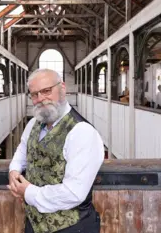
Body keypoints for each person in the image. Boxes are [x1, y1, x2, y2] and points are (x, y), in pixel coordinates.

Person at [7, 68, 104, 233]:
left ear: (63, 88)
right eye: (34, 94)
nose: (41, 99)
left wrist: (28, 192)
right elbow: (22, 150)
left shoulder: (82, 132)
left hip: (72, 228)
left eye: (46, 91)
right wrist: (14, 170)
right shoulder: (33, 124)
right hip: (34, 224)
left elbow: (74, 192)